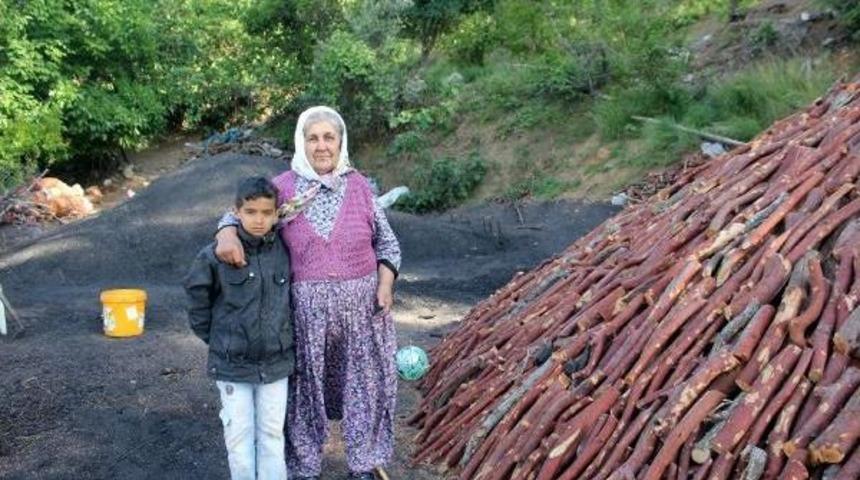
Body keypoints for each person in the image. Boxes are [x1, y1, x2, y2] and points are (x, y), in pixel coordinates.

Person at [215, 106, 401, 480]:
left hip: (362, 313)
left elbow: (389, 246)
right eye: (313, 137)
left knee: (364, 388)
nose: (321, 146)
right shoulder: (283, 187)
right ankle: (303, 466)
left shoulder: (360, 187)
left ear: (340, 142)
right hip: (303, 315)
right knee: (303, 393)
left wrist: (384, 285)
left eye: (328, 137)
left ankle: (363, 464)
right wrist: (226, 232)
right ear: (302, 142)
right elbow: (241, 214)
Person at [185, 176, 295, 480]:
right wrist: (220, 339)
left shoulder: (286, 252)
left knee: (273, 436)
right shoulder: (216, 255)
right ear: (236, 212)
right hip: (232, 365)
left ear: (276, 214)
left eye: (266, 212)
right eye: (250, 212)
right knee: (239, 439)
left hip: (276, 364)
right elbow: (197, 299)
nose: (259, 220)